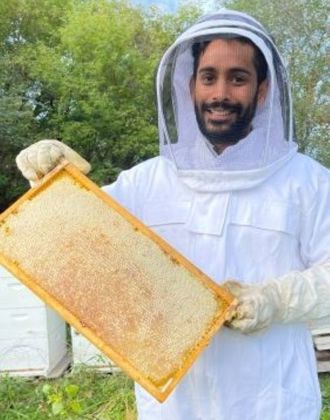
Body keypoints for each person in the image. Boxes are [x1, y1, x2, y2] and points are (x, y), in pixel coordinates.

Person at [15, 10, 330, 420]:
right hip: (174, 406)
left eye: (238, 78)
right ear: (190, 86)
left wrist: (276, 299)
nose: (220, 93)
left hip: (273, 401)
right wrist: (50, 179)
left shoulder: (307, 181)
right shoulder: (146, 182)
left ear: (263, 90)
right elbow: (74, 237)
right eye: (208, 77)